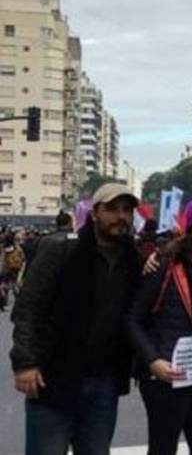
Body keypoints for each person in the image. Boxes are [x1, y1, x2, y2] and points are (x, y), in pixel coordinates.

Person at [10, 183, 142, 455]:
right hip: (53, 379)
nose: (121, 217)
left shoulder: (133, 260)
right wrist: (24, 362)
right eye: (112, 209)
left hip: (104, 384)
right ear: (95, 213)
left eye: (127, 210)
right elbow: (28, 307)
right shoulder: (61, 250)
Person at [125, 196, 192, 455]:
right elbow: (132, 319)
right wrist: (153, 360)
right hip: (165, 376)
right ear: (190, 229)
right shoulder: (165, 264)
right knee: (163, 449)